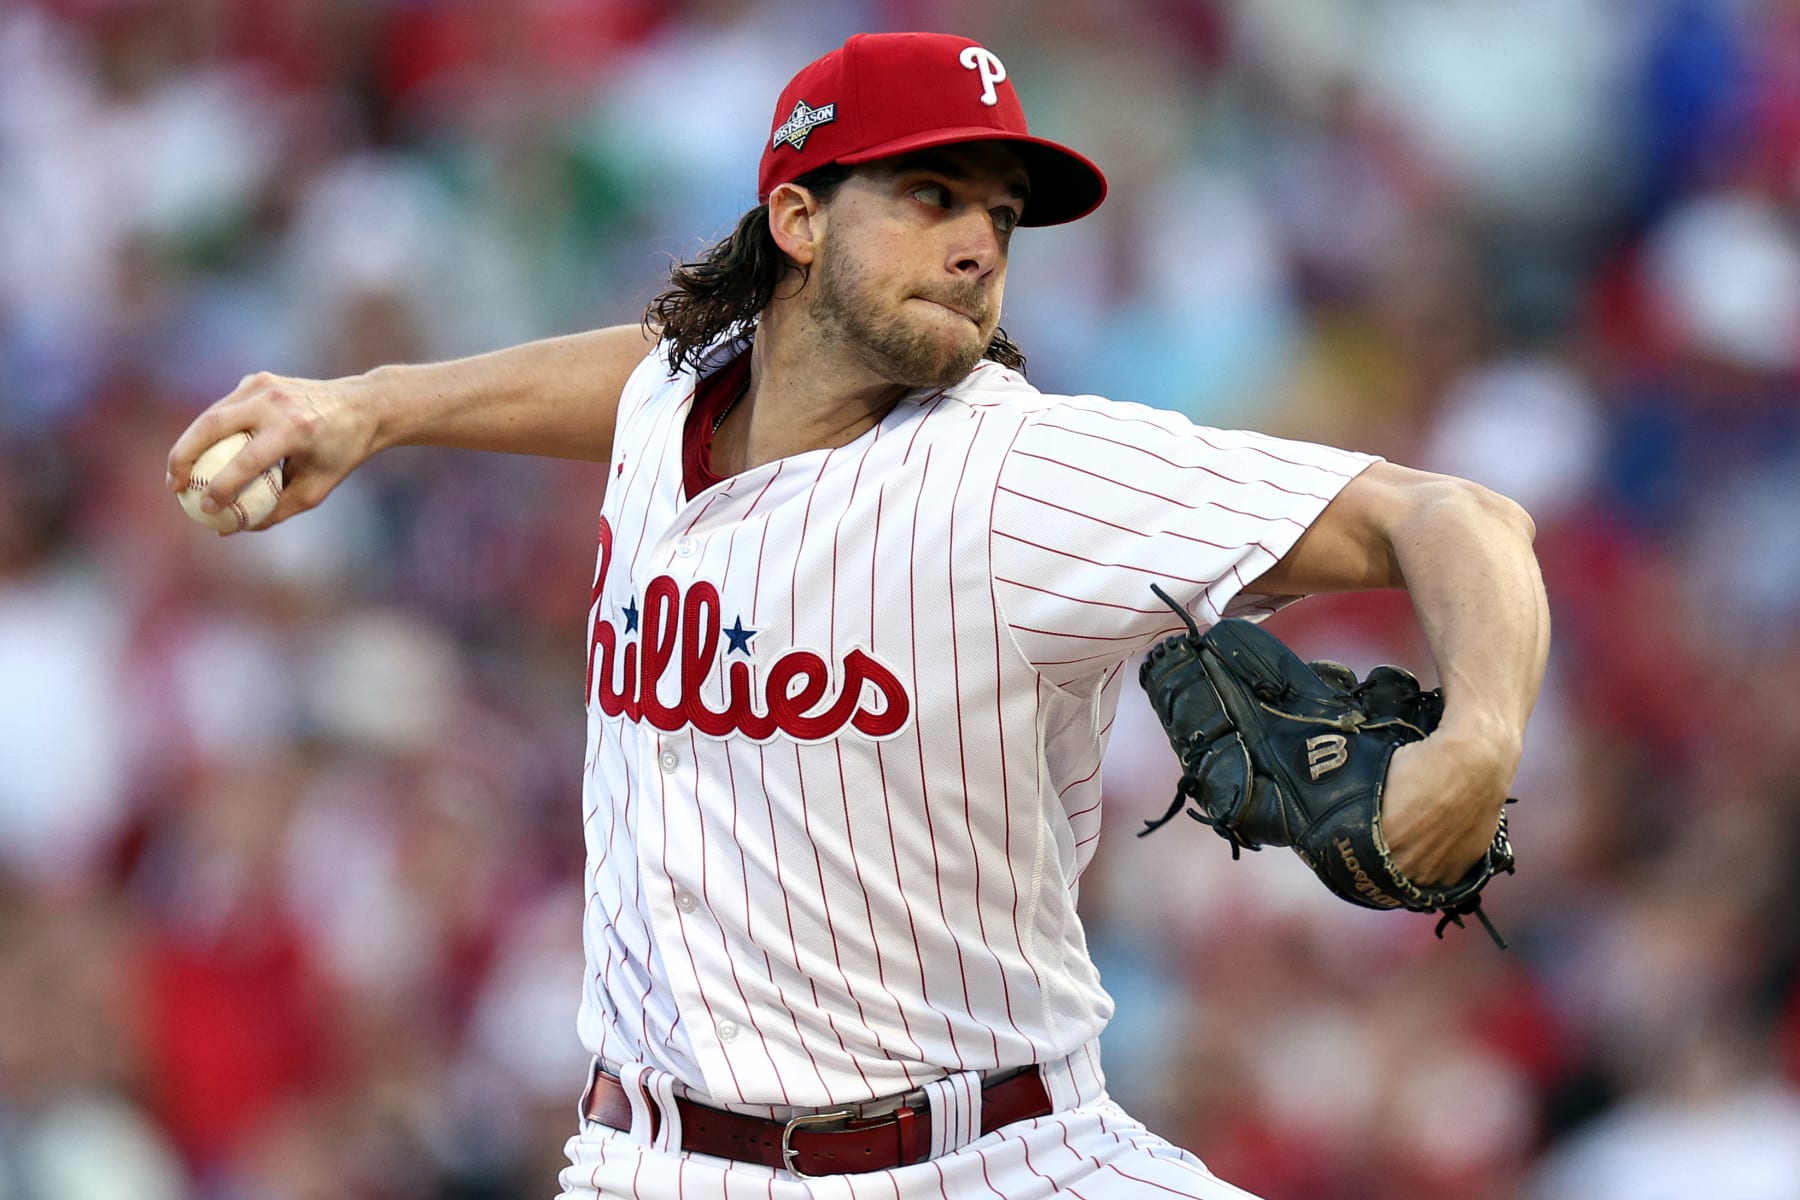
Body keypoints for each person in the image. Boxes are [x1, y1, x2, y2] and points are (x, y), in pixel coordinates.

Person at [167, 31, 1550, 1200]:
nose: (975, 248)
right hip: (652, 1162)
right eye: (933, 196)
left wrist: (1481, 738)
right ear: (799, 218)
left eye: (999, 219)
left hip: (995, 1158)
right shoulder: (681, 396)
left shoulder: (1022, 475)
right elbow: (645, 371)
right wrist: (372, 406)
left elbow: (1457, 517)